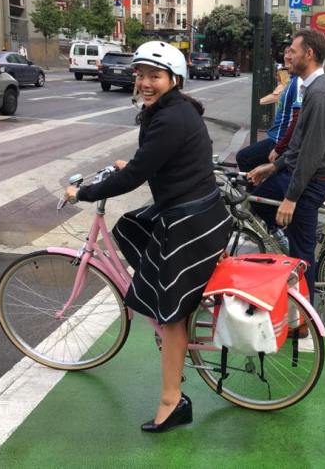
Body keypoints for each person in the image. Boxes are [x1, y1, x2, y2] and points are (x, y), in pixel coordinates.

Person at [63, 41, 231, 432]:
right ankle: (167, 305)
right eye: (141, 75)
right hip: (196, 212)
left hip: (191, 223)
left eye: (154, 76)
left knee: (171, 314)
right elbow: (154, 161)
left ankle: (173, 401)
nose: (145, 82)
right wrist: (135, 163)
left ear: (174, 79)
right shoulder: (171, 111)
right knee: (130, 228)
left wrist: (83, 192)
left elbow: (136, 176)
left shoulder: (170, 118)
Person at [246, 29, 325, 303]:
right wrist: (273, 168)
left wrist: (290, 198)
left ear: (309, 54)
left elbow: (311, 153)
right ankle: (285, 246)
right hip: (305, 175)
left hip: (310, 182)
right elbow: (299, 143)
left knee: (302, 253)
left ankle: (304, 320)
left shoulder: (320, 95)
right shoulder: (312, 89)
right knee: (258, 197)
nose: (289, 54)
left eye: (294, 49)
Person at [236, 51, 302, 172]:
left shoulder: (297, 80)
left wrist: (258, 102)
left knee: (243, 157)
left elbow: (278, 95)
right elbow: (281, 90)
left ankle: (253, 190)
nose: (287, 56)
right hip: (277, 136)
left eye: (292, 52)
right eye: (286, 52)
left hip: (279, 140)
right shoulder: (286, 74)